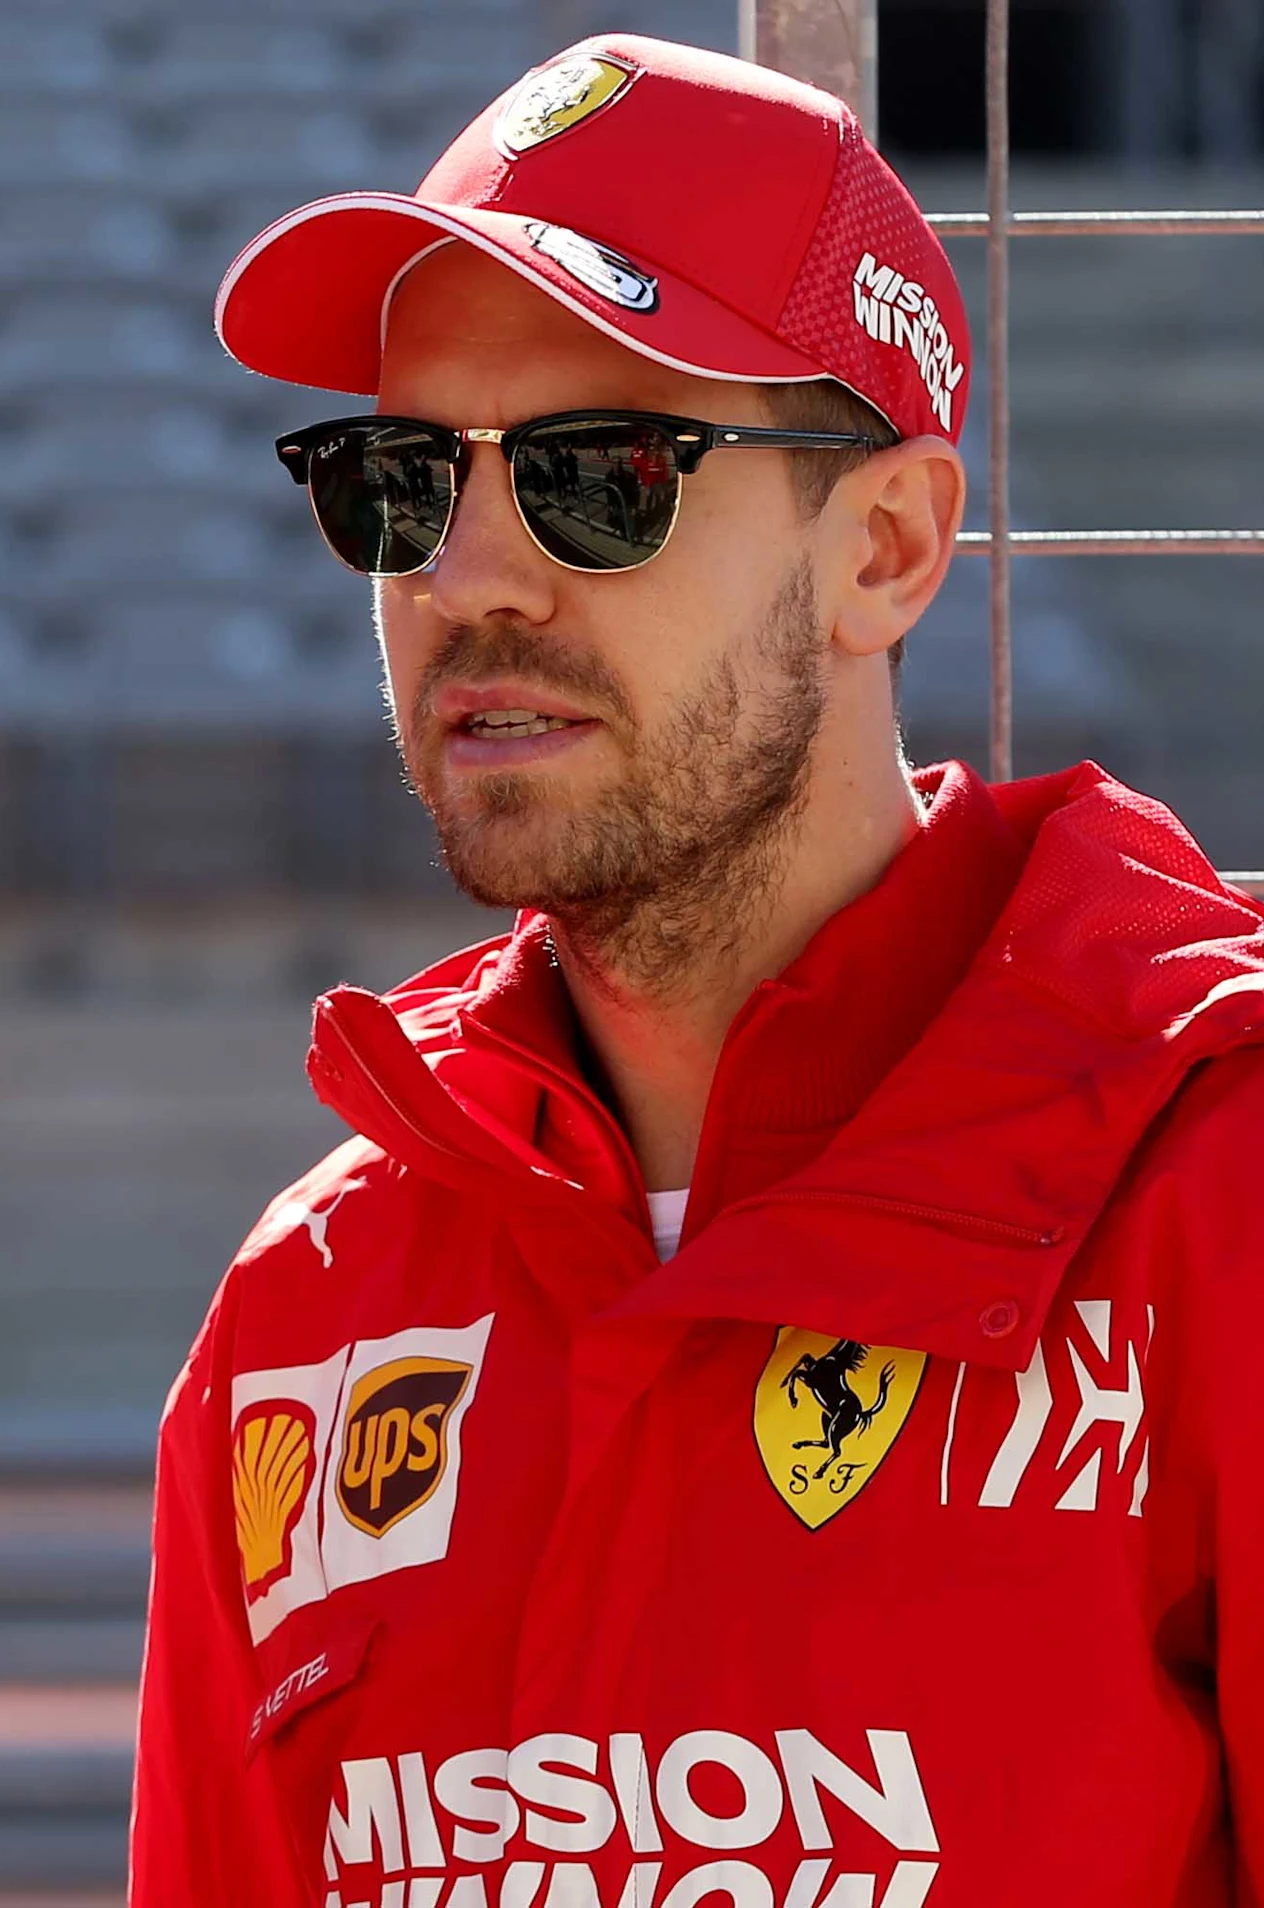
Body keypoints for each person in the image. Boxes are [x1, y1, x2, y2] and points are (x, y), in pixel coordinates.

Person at [132, 34, 1264, 1907]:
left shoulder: (1216, 1193)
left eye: (603, 475)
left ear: (886, 548)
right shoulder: (305, 1310)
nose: (473, 575)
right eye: (403, 479)